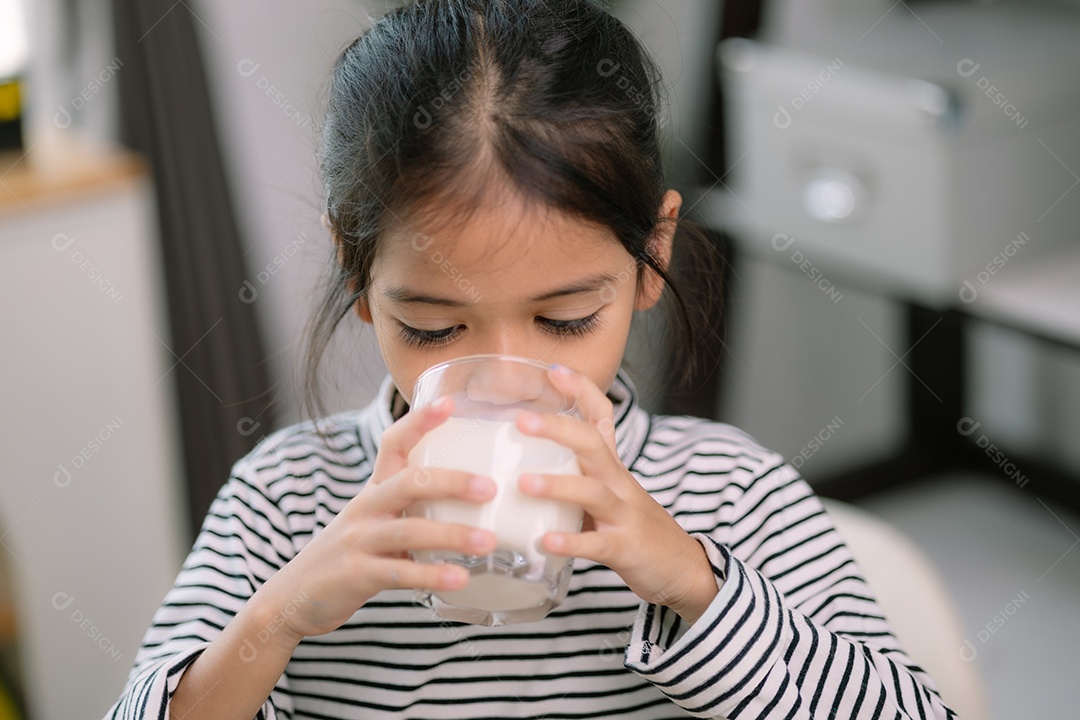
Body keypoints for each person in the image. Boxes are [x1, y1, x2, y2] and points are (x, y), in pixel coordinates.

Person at [107, 1, 956, 718]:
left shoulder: (732, 495)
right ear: (357, 274)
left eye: (566, 319)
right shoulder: (287, 499)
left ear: (651, 252)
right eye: (436, 330)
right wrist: (281, 616)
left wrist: (699, 586)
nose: (509, 379)